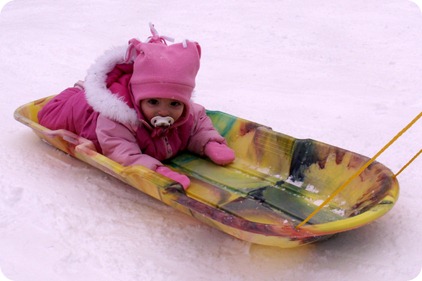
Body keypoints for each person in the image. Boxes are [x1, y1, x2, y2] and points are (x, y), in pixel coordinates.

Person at [38, 24, 235, 190]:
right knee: (49, 115)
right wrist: (157, 172)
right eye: (153, 102)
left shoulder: (187, 113)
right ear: (138, 99)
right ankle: (80, 90)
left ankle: (85, 88)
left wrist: (209, 143)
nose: (164, 112)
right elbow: (122, 153)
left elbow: (199, 123)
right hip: (76, 109)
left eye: (174, 103)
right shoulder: (117, 120)